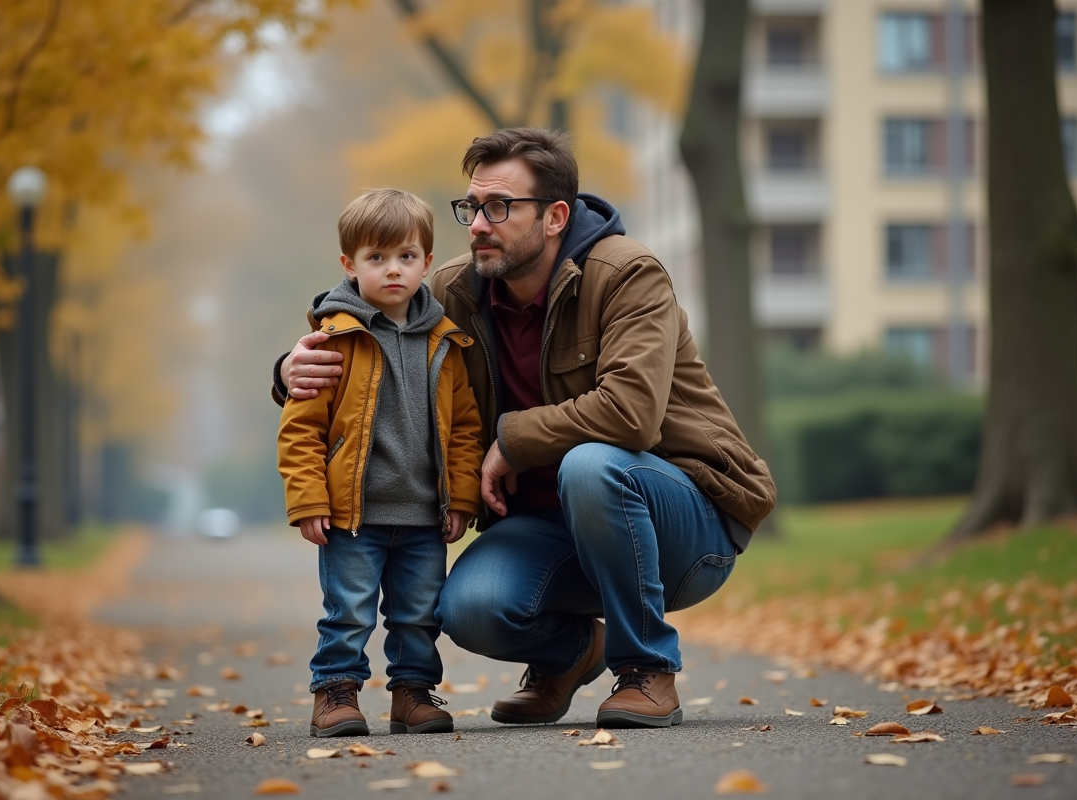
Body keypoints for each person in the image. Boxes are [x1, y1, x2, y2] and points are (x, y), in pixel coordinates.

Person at [273, 129, 776, 729]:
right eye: (471, 208)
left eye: (499, 207)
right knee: (467, 607)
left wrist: (509, 441)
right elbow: (364, 312)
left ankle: (647, 670)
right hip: (552, 529)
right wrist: (288, 370)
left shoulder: (628, 275)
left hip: (686, 524)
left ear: (556, 216)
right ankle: (569, 654)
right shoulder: (455, 290)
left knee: (592, 466)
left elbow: (630, 414)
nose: (478, 224)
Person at [277, 188, 484, 738]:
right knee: (348, 611)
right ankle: (336, 692)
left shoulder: (446, 342)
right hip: (353, 515)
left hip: (423, 515)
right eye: (377, 258)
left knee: (419, 614)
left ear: (427, 264)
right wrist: (308, 501)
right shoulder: (332, 341)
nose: (393, 270)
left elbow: (465, 428)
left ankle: (413, 694)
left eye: (406, 257)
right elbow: (300, 430)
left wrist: (461, 496)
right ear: (349, 264)